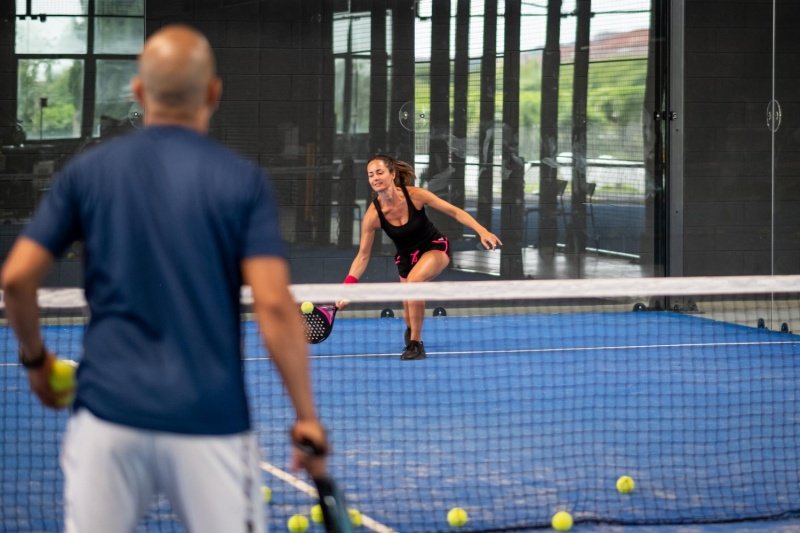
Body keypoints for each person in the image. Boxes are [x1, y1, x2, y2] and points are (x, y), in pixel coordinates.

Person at [1, 25, 328, 533]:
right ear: (214, 92)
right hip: (211, 422)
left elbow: (18, 279)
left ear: (138, 91)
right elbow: (273, 305)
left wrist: (36, 361)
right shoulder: (242, 180)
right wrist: (306, 417)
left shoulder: (87, 173)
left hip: (106, 420)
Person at [339, 154, 502, 360]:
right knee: (409, 315)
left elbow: (454, 212)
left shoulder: (414, 195)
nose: (375, 178)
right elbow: (362, 257)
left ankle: (416, 344)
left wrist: (482, 231)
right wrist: (346, 288)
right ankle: (411, 330)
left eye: (380, 172)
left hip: (433, 248)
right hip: (406, 260)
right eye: (371, 175)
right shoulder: (373, 215)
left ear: (393, 174)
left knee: (414, 283)